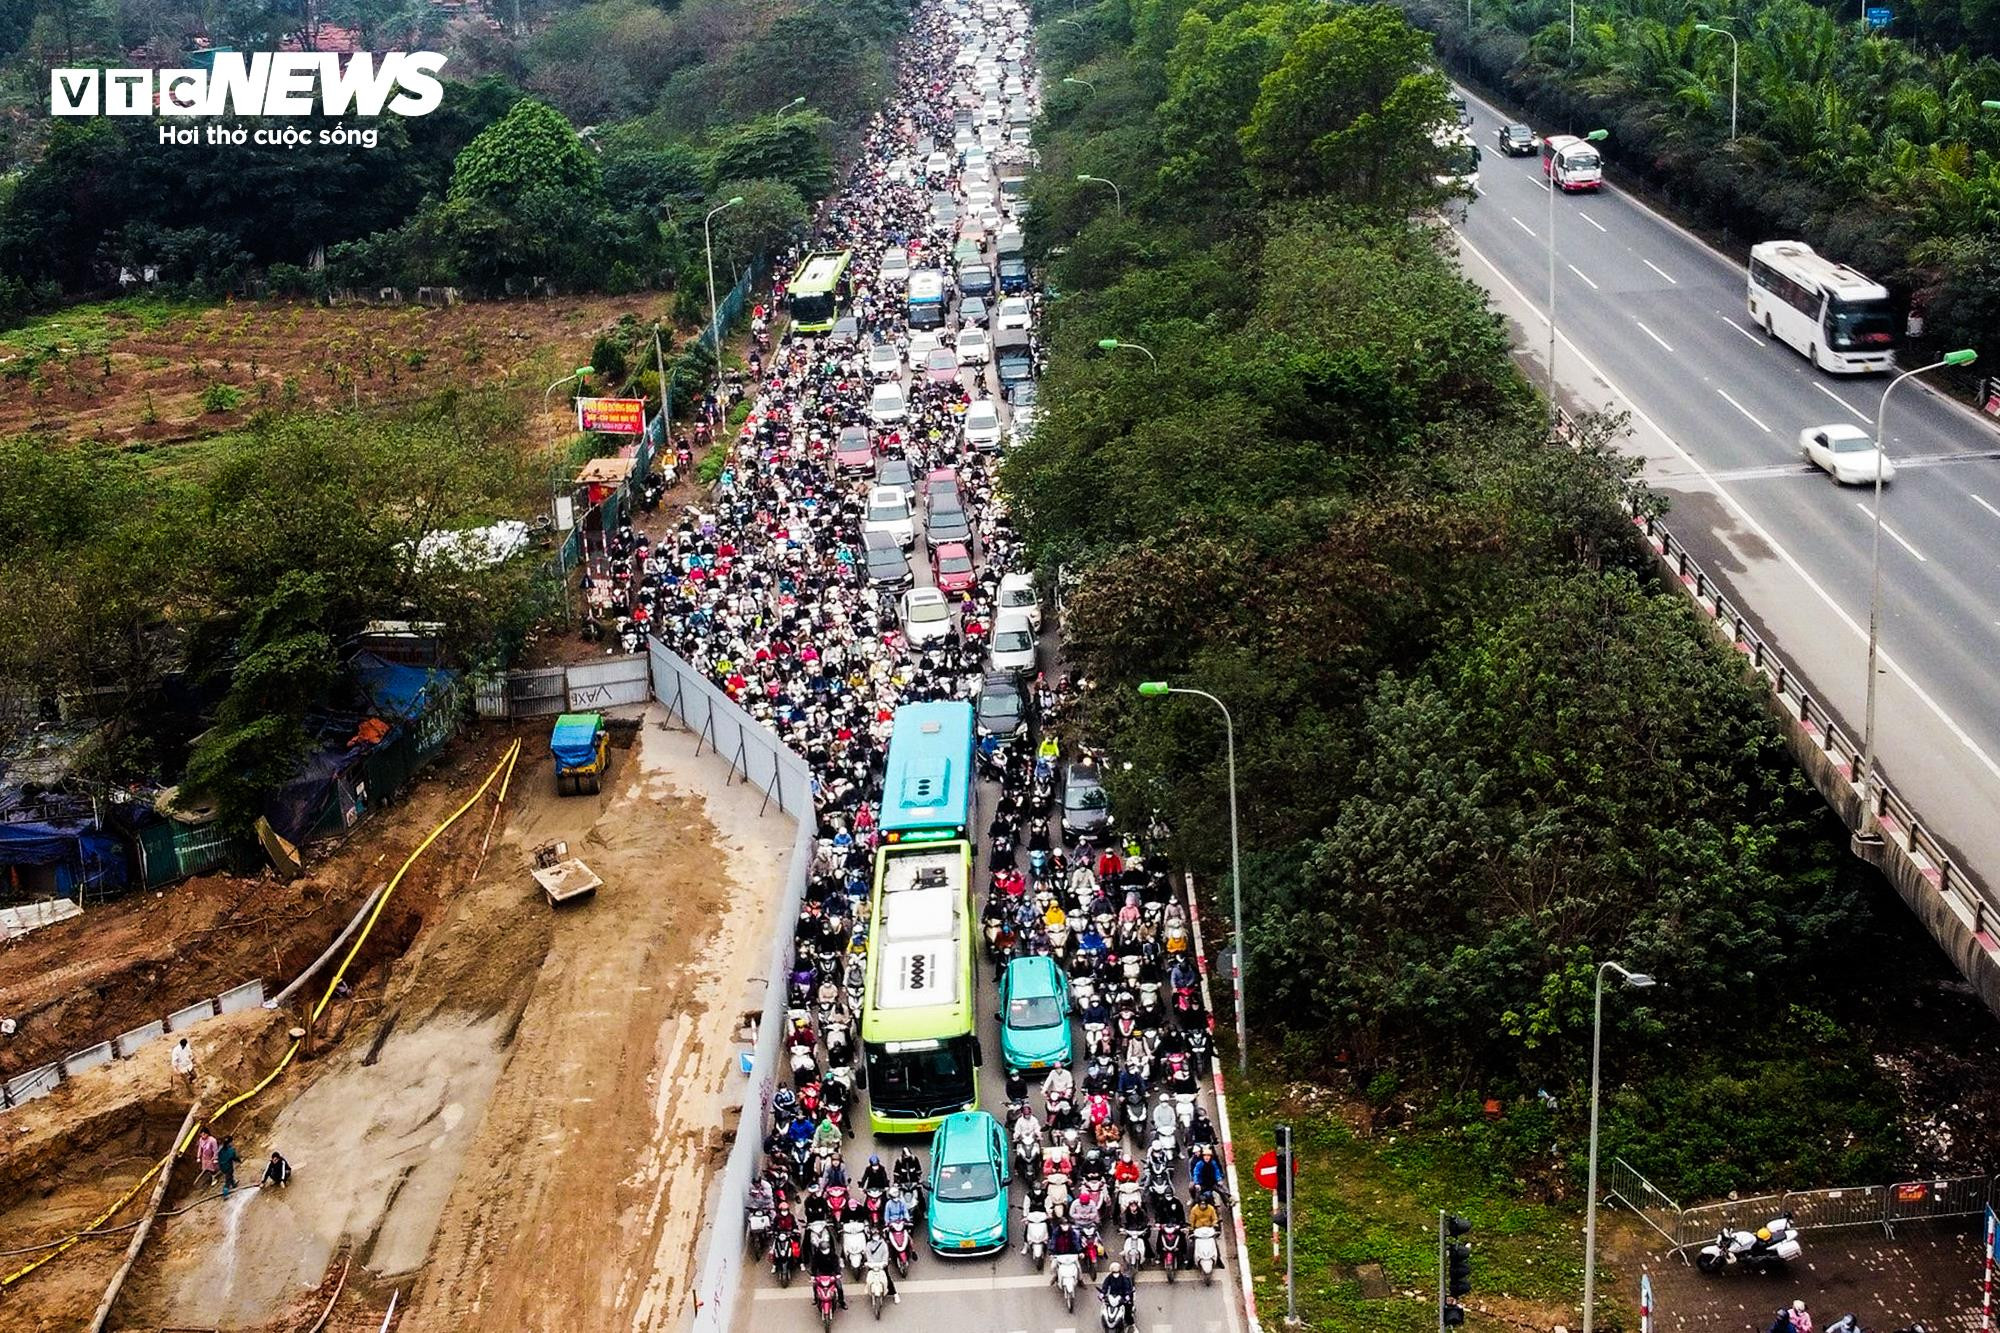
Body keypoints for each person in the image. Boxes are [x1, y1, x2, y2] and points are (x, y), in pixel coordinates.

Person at [808, 1232, 847, 1308]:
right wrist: (813, 1275)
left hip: (832, 1273)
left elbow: (836, 1264)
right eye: (824, 1249)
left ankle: (841, 1301)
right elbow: (814, 1265)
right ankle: (816, 1299)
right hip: (821, 1273)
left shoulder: (833, 1255)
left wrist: (838, 1273)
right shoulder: (816, 1256)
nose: (826, 1251)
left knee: (839, 1286)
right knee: (815, 1285)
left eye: (827, 1249)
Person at [863, 1227, 900, 1302]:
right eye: (873, 1235)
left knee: (887, 1278)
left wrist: (884, 1262)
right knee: (869, 1277)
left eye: (876, 1234)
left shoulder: (883, 1243)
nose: (875, 1236)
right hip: (873, 1265)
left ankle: (895, 1294)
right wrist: (871, 1263)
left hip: (882, 1265)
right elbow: (868, 1254)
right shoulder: (869, 1244)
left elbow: (885, 1253)